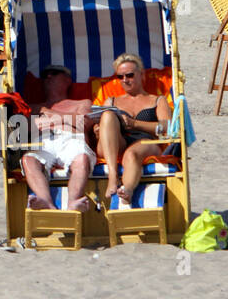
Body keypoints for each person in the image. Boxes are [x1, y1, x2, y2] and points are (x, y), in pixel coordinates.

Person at [94, 54, 172, 204]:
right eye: (120, 76)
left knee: (131, 154)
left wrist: (134, 124)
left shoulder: (156, 100)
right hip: (116, 143)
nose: (125, 80)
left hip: (146, 142)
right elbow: (99, 126)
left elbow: (167, 128)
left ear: (141, 75)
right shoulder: (111, 100)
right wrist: (98, 130)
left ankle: (127, 190)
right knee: (108, 115)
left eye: (129, 75)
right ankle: (113, 176)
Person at [20, 65, 95, 212]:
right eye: (45, 75)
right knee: (28, 160)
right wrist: (67, 119)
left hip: (72, 140)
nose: (48, 77)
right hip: (43, 141)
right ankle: (45, 200)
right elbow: (26, 127)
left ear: (67, 80)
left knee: (82, 159)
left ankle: (73, 202)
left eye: (54, 74)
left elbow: (83, 123)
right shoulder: (34, 107)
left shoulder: (82, 103)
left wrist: (47, 115)